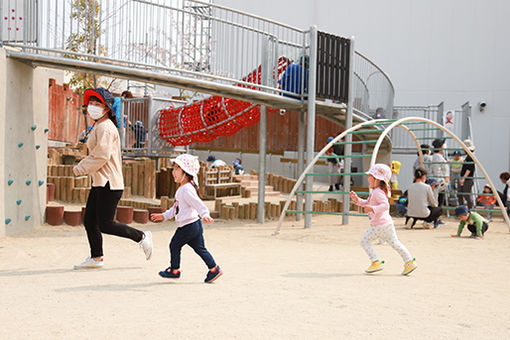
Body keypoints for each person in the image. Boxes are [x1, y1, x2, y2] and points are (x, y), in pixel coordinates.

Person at [72, 88, 153, 269]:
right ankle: (96, 258)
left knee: (105, 224)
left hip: (109, 183)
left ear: (107, 108)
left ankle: (141, 236)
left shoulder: (106, 127)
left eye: (97, 104)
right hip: (101, 181)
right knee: (90, 221)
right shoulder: (99, 126)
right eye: (91, 103)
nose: (92, 107)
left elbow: (101, 156)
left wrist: (79, 169)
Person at [150, 154, 222, 283]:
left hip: (188, 226)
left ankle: (174, 270)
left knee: (174, 245)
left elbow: (198, 204)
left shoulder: (186, 189)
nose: (174, 172)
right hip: (194, 225)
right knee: (200, 249)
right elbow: (176, 208)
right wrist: (164, 216)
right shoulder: (183, 189)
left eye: (177, 169)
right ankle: (214, 269)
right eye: (174, 168)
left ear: (187, 173)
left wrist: (205, 214)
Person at [349, 164, 417, 275]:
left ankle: (375, 262)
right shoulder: (377, 191)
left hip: (378, 225)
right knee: (395, 243)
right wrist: (357, 200)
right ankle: (409, 262)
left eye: (370, 176)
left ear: (377, 179)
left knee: (364, 242)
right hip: (387, 224)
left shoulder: (377, 192)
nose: (368, 178)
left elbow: (385, 206)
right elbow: (367, 203)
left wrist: (372, 208)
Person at [430, 139, 449, 207]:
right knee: (437, 200)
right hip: (439, 181)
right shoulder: (437, 156)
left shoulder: (438, 156)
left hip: (440, 181)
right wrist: (438, 181)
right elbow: (436, 169)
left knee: (439, 199)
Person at [458, 139, 476, 209]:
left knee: (467, 195)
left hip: (467, 179)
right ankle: (463, 210)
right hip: (465, 179)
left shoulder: (470, 157)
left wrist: (463, 178)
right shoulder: (468, 157)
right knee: (461, 194)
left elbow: (469, 169)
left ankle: (469, 210)